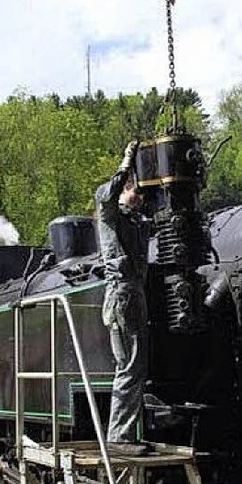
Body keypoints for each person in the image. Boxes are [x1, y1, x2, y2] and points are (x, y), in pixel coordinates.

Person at [95, 141, 150, 452]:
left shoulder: (135, 222)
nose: (140, 198)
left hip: (134, 294)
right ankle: (119, 438)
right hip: (122, 295)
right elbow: (110, 193)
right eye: (135, 191)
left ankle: (125, 433)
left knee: (136, 365)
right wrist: (127, 160)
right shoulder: (109, 214)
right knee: (129, 365)